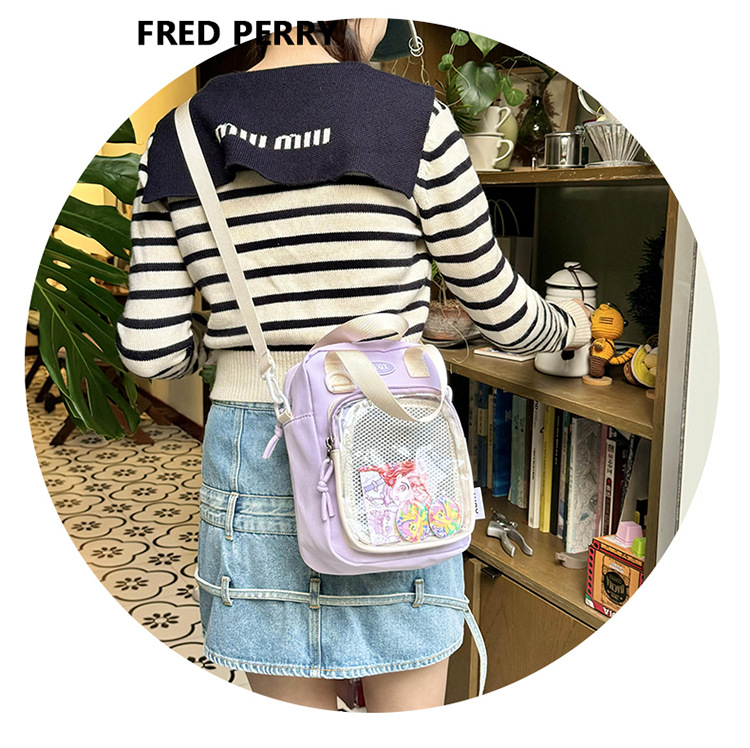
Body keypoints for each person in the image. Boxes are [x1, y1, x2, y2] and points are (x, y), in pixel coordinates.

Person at [116, 18, 591, 712]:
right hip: (389, 439)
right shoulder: (415, 118)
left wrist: (236, 345)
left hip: (255, 444)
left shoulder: (179, 135)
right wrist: (572, 325)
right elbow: (499, 310)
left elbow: (151, 350)